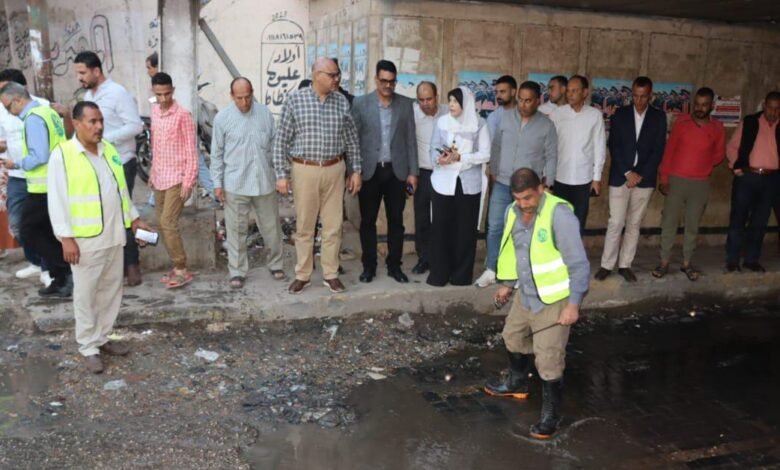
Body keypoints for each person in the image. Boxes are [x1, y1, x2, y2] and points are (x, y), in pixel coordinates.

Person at [48, 101, 153, 374]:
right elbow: (56, 200)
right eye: (92, 121)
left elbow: (120, 191)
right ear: (77, 123)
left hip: (114, 233)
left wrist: (134, 219)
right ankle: (88, 346)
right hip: (85, 239)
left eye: (101, 121)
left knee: (110, 290)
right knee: (86, 294)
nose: (99, 126)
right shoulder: (63, 155)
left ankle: (103, 337)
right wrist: (66, 237)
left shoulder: (109, 150)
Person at [485, 168, 589, 440]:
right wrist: (508, 284)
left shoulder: (559, 215)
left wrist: (573, 305)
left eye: (528, 198)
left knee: (548, 359)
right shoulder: (512, 211)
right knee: (512, 336)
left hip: (554, 300)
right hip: (527, 293)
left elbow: (578, 264)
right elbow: (514, 251)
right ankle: (517, 383)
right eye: (517, 198)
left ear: (541, 188)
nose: (522, 204)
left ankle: (551, 415)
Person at [273, 57, 361, 295]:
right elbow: (281, 140)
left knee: (333, 225)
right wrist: (281, 175)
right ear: (317, 75)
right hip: (305, 170)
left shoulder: (341, 102)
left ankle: (331, 274)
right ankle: (303, 274)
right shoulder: (295, 100)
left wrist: (355, 170)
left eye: (338, 74)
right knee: (305, 225)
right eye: (332, 75)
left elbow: (351, 139)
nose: (336, 79)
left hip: (335, 169)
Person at [475, 81, 558, 288]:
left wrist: (548, 183)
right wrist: (494, 171)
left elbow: (551, 156)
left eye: (528, 100)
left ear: (538, 101)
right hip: (503, 183)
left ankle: (520, 273)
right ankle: (492, 269)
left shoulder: (546, 126)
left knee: (523, 230)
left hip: (528, 189)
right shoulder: (505, 118)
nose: (523, 104)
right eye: (520, 99)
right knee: (495, 227)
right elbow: (496, 147)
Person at [74, 51, 145, 287]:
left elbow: (135, 126)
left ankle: (132, 265)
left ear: (96, 71)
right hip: (97, 162)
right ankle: (115, 266)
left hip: (121, 161)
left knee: (124, 212)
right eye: (78, 73)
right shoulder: (88, 96)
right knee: (105, 214)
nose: (79, 77)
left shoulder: (117, 93)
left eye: (82, 72)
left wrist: (105, 140)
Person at [210, 77, 286, 289]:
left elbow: (275, 147)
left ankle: (276, 264)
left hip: (264, 182)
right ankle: (237, 271)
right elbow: (216, 154)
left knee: (271, 228)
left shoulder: (265, 114)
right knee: (236, 230)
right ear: (232, 96)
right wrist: (217, 183)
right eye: (239, 98)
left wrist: (281, 174)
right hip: (235, 183)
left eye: (247, 97)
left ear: (252, 93)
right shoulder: (222, 119)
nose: (244, 102)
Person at [0, 82, 70, 296]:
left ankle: (65, 270)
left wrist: (16, 163)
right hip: (51, 182)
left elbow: (39, 156)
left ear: (18, 100)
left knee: (28, 231)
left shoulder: (33, 118)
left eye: (8, 107)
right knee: (48, 232)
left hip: (43, 186)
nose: (9, 112)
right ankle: (61, 278)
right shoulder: (47, 112)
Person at [594, 77, 667, 282]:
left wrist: (640, 174)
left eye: (643, 96)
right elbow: (614, 145)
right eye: (635, 95)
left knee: (634, 224)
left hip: (645, 179)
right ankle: (606, 265)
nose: (639, 100)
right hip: (621, 176)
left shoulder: (659, 117)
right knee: (615, 222)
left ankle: (625, 265)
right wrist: (627, 172)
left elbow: (658, 150)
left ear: (650, 95)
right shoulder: (620, 114)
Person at [351, 60, 417, 284]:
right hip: (369, 172)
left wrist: (413, 173)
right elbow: (353, 140)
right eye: (384, 81)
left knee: (396, 221)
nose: (388, 85)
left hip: (396, 173)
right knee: (368, 221)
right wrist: (354, 171)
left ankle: (394, 266)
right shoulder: (361, 104)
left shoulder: (405, 104)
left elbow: (411, 141)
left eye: (392, 81)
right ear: (376, 80)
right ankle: (369, 266)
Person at [653, 87, 725, 281]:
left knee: (692, 225)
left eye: (704, 105)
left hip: (700, 184)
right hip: (676, 181)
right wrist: (664, 178)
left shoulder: (717, 128)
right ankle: (664, 262)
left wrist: (702, 165)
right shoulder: (682, 123)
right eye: (697, 104)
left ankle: (686, 263)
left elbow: (719, 155)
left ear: (712, 106)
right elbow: (669, 151)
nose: (699, 108)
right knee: (669, 222)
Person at [427, 86, 490, 286]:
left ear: (466, 103)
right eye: (450, 101)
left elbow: (485, 154)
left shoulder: (479, 124)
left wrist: (461, 157)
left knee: (465, 230)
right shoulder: (442, 122)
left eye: (455, 101)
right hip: (443, 183)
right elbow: (433, 148)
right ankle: (439, 274)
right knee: (440, 228)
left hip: (468, 185)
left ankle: (461, 276)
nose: (451, 105)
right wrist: (440, 159)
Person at [149, 72, 198, 288]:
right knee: (162, 223)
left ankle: (181, 267)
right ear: (153, 92)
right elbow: (155, 145)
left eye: (167, 94)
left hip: (177, 178)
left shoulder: (183, 115)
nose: (163, 99)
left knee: (168, 222)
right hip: (159, 176)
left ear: (173, 91)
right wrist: (152, 172)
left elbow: (191, 150)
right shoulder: (154, 112)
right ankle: (176, 266)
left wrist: (189, 181)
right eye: (159, 94)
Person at [724, 91, 780, 272]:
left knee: (760, 221)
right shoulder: (750, 122)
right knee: (738, 219)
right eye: (770, 108)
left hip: (772, 179)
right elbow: (732, 146)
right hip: (748, 176)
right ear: (764, 106)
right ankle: (733, 260)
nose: (773, 112)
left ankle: (751, 259)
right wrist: (736, 166)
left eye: (777, 109)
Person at [549, 75, 606, 232]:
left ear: (585, 92)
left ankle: (575, 249)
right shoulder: (558, 114)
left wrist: (596, 178)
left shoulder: (594, 115)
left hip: (583, 180)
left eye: (574, 91)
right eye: (568, 91)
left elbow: (599, 147)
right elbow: (549, 146)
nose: (570, 94)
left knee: (578, 223)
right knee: (558, 223)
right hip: (560, 177)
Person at [411, 81, 448, 275]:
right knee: (422, 218)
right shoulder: (413, 115)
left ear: (437, 97)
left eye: (429, 99)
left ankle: (441, 258)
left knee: (442, 217)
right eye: (421, 100)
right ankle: (424, 258)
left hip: (445, 174)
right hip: (423, 174)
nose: (425, 104)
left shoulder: (448, 113)